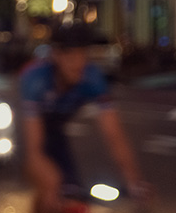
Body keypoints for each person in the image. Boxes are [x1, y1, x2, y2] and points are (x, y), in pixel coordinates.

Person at [20, 24, 150, 213]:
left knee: (73, 196)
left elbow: (114, 135)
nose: (78, 64)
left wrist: (135, 182)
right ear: (56, 56)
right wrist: (50, 183)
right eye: (71, 57)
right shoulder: (35, 80)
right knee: (51, 184)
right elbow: (34, 151)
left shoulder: (92, 78)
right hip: (26, 133)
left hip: (56, 132)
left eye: (82, 55)